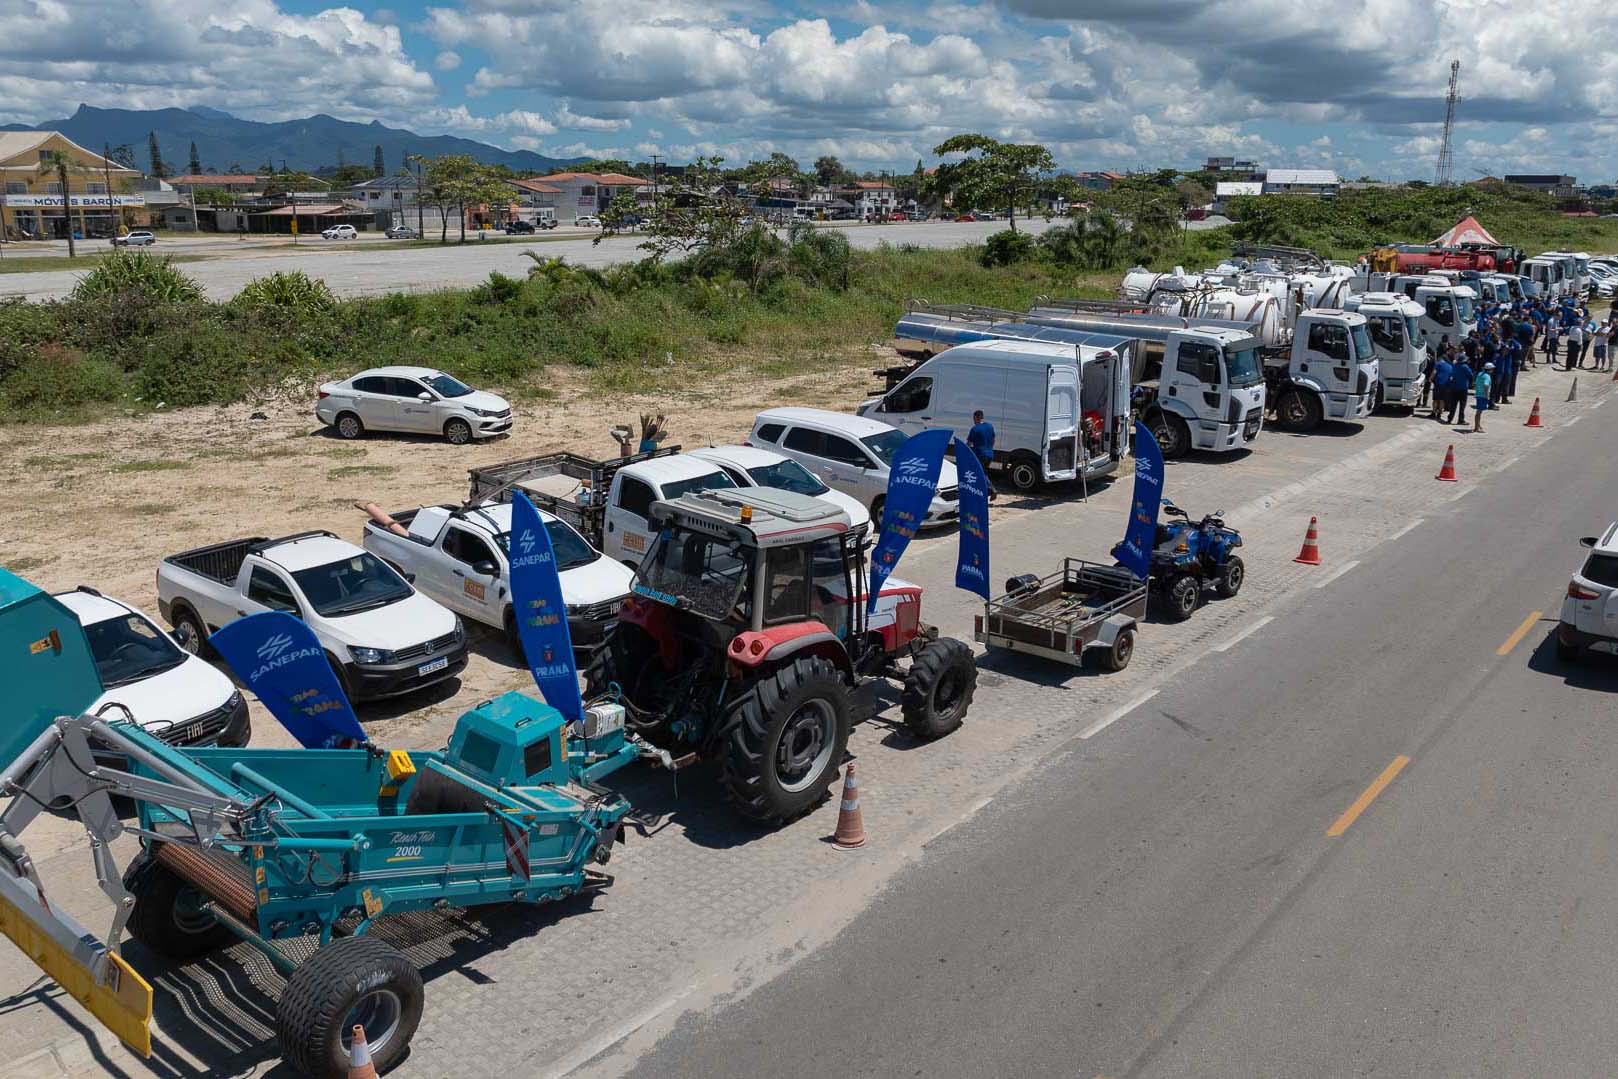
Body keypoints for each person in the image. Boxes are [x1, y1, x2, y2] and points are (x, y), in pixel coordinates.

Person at [1449, 354, 1474, 425]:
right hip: (1463, 388)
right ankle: (1461, 419)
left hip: (1454, 387)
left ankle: (1450, 418)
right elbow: (1471, 375)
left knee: (1453, 405)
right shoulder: (1465, 367)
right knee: (1462, 406)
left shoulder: (1455, 366)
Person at [1431, 348, 1454, 422]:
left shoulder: (1438, 364)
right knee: (1442, 400)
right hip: (1446, 385)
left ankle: (1434, 413)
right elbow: (1451, 377)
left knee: (1435, 400)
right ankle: (1439, 414)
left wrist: (1430, 379)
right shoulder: (1450, 366)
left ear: (1440, 359)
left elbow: (1434, 372)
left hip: (1438, 384)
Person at [1473, 362, 1493, 432]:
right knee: (1479, 412)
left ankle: (1478, 425)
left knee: (1479, 411)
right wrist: (1487, 395)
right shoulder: (1487, 376)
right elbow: (1486, 385)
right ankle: (1476, 427)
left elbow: (1475, 383)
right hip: (1483, 395)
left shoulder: (1480, 374)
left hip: (1478, 394)